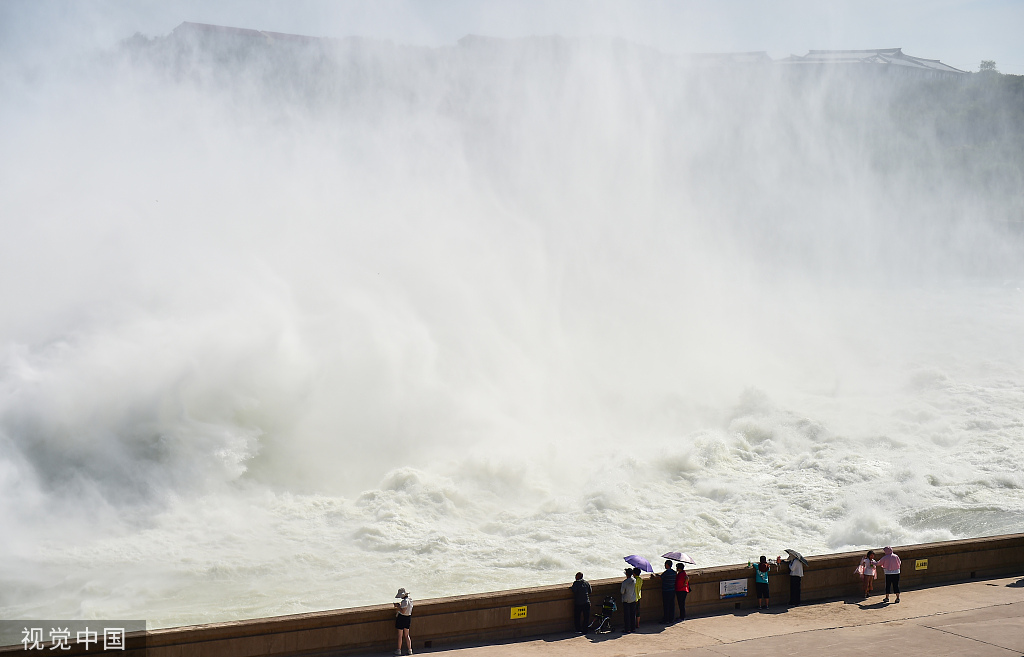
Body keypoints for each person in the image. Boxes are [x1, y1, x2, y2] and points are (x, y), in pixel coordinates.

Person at [393, 588, 414, 656]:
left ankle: (399, 650)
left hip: (402, 618)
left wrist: (398, 606)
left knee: (400, 635)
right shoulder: (410, 600)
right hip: (408, 618)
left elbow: (403, 611)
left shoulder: (404, 602)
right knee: (407, 635)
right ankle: (410, 649)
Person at [620, 568, 638, 634]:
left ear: (626, 574)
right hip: (633, 599)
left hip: (626, 599)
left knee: (627, 615)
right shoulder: (634, 580)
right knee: (633, 614)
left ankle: (627, 629)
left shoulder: (624, 582)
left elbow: (622, 592)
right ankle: (633, 628)